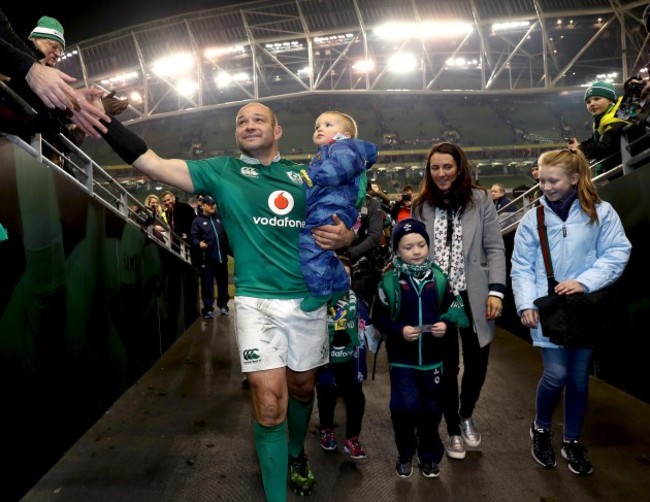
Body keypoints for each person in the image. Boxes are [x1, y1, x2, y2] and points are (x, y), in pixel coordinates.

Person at [94, 100, 355, 500]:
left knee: (303, 389)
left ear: (278, 130)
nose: (249, 125)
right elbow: (152, 163)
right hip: (255, 303)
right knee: (269, 405)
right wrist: (104, 120)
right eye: (241, 121)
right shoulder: (221, 171)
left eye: (258, 120)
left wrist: (347, 238)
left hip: (306, 302)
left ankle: (295, 451)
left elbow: (344, 222)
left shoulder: (305, 175)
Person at [510, 148, 631, 476]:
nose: (546, 186)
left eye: (554, 180)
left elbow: (618, 252)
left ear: (575, 178)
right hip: (547, 310)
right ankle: (540, 428)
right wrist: (524, 303)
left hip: (583, 308)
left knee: (578, 379)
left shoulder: (601, 212)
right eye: (542, 179)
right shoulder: (532, 218)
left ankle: (572, 440)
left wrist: (584, 282)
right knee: (557, 375)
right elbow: (521, 266)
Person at [410, 142, 507, 461]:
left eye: (447, 167)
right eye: (435, 168)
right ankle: (452, 428)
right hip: (438, 299)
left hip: (476, 296)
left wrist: (496, 290)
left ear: (460, 167)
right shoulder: (422, 204)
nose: (441, 173)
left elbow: (494, 247)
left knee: (478, 364)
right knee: (447, 366)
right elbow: (413, 249)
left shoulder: (480, 199)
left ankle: (466, 414)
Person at [372, 218, 469, 479]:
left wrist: (445, 324)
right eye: (408, 247)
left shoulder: (440, 278)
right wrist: (398, 331)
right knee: (404, 408)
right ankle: (405, 453)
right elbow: (377, 318)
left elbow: (456, 309)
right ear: (396, 250)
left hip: (433, 360)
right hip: (402, 360)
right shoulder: (389, 283)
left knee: (431, 410)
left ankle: (428, 456)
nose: (416, 251)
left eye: (421, 245)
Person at [299, 110, 378, 311]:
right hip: (330, 204)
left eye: (328, 125)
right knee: (323, 249)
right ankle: (340, 283)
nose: (320, 129)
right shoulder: (328, 152)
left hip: (333, 206)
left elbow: (339, 169)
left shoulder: (344, 148)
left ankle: (320, 292)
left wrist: (314, 176)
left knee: (309, 244)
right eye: (317, 126)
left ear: (346, 135)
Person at [0, 9, 108, 138]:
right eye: (53, 45)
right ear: (34, 39)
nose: (58, 54)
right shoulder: (20, 56)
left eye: (61, 51)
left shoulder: (43, 70)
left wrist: (73, 102)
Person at [316, 256, 369, 460]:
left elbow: (368, 327)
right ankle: (327, 429)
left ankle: (352, 438)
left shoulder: (358, 303)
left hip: (352, 362)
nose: (341, 280)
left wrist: (373, 337)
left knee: (356, 398)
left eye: (345, 276)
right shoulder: (319, 303)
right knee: (326, 395)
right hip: (326, 363)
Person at [567, 81, 629, 176]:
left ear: (610, 100)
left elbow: (605, 147)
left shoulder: (617, 118)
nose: (592, 104)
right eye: (588, 102)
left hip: (623, 171)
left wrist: (580, 148)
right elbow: (595, 140)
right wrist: (580, 144)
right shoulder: (602, 119)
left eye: (597, 99)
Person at [190, 195, 230, 319]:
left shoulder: (218, 218)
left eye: (214, 204)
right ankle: (208, 309)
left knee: (223, 284)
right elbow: (193, 238)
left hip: (221, 258)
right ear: (203, 206)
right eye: (210, 204)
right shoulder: (197, 221)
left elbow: (224, 236)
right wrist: (199, 243)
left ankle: (223, 305)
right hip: (206, 260)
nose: (213, 206)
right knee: (207, 286)